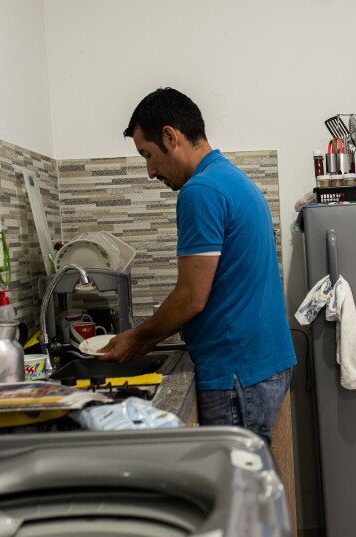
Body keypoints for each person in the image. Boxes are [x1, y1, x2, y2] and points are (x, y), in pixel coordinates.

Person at [100, 87, 296, 445]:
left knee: (235, 490)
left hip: (235, 370)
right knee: (249, 486)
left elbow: (192, 297)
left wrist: (137, 339)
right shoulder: (231, 179)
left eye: (148, 154)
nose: (149, 171)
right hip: (262, 363)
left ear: (170, 136)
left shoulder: (201, 191)